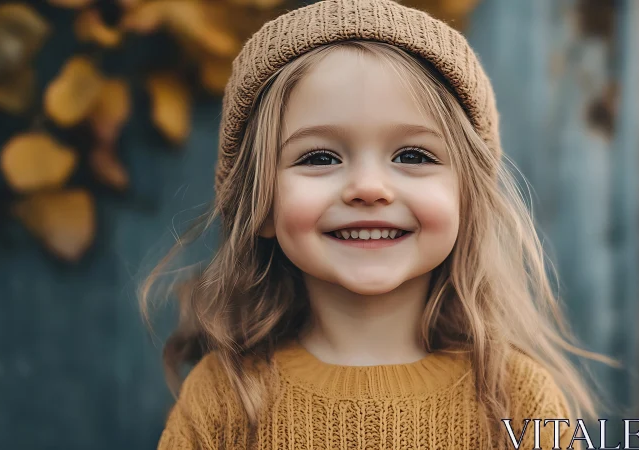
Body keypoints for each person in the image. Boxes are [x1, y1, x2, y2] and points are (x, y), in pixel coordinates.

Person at [141, 0, 610, 448]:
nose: (368, 187)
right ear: (259, 203)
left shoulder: (515, 398)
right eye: (320, 157)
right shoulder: (225, 399)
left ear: (468, 200)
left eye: (412, 155)